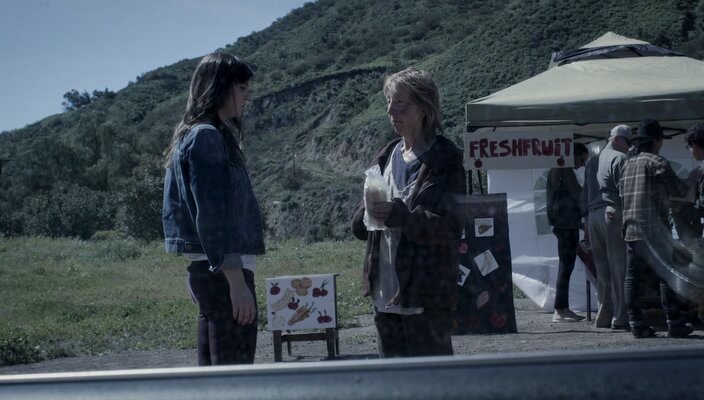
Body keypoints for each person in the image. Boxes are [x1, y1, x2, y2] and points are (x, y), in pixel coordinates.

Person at [351, 67, 466, 358]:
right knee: (393, 379)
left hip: (426, 295)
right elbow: (362, 221)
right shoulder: (385, 155)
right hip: (385, 293)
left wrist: (401, 216)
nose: (391, 110)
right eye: (389, 101)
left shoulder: (445, 159)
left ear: (424, 107)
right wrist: (365, 215)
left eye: (400, 102)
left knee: (430, 379)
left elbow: (451, 227)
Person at [162, 53, 265, 365]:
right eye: (242, 88)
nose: (247, 96)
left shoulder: (195, 134)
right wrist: (236, 282)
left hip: (210, 270)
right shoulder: (206, 136)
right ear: (221, 88)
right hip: (224, 274)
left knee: (215, 377)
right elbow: (210, 214)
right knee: (234, 377)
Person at [619, 119, 700, 338]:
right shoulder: (657, 162)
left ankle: (636, 324)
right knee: (667, 276)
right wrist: (693, 177)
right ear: (656, 140)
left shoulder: (628, 164)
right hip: (654, 230)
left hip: (631, 229)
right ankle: (674, 322)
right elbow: (679, 191)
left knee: (632, 278)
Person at [583, 125, 632, 329]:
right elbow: (625, 191)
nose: (629, 147)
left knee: (601, 269)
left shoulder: (592, 161)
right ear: (618, 140)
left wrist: (586, 221)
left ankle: (603, 315)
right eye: (628, 142)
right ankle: (620, 316)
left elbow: (585, 193)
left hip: (593, 214)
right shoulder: (620, 158)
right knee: (618, 266)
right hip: (611, 212)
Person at [546, 142, 589, 322]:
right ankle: (561, 308)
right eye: (581, 159)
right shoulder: (564, 170)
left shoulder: (555, 170)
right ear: (574, 155)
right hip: (567, 225)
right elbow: (578, 194)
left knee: (565, 267)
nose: (582, 164)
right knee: (566, 267)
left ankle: (562, 308)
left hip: (561, 224)